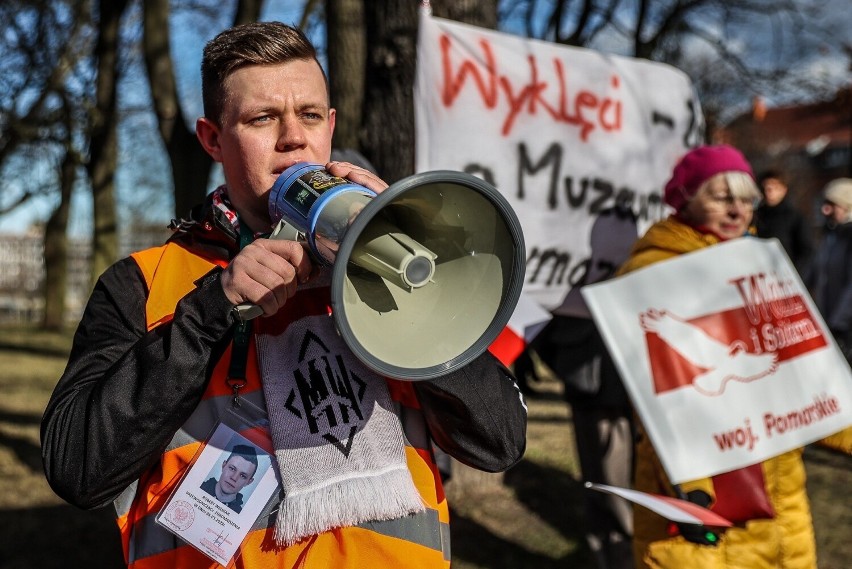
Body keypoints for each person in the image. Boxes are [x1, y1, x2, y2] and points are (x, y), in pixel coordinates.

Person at [40, 21, 526, 569]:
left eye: (311, 115)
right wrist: (210, 312)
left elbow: (499, 441)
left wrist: (401, 253)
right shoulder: (145, 283)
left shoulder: (396, 265)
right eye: (262, 118)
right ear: (212, 139)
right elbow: (76, 465)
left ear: (331, 125)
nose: (294, 137)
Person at [616, 145, 852, 569]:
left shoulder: (760, 263)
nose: (737, 210)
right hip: (706, 486)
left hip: (779, 475)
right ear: (686, 197)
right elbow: (665, 397)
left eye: (746, 198)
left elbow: (806, 370)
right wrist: (692, 487)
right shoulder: (651, 272)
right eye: (721, 197)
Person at [532, 206, 638, 569]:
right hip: (592, 386)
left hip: (632, 387)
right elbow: (543, 320)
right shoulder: (565, 263)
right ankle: (609, 557)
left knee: (622, 485)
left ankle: (621, 555)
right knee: (603, 484)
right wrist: (567, 366)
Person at [804, 178, 852, 362]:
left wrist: (838, 323)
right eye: (825, 205)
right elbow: (812, 273)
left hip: (845, 328)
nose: (826, 211)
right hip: (830, 323)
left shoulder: (848, 238)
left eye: (833, 206)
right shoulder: (831, 236)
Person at [752, 169, 814, 274]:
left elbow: (806, 252)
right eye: (765, 188)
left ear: (783, 190)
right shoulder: (754, 216)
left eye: (774, 188)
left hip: (786, 276)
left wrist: (793, 273)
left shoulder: (795, 217)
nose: (769, 192)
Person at [201, 444, 259, 513]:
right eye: (232, 469)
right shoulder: (197, 486)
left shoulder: (241, 516)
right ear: (223, 466)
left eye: (243, 476)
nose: (234, 478)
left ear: (249, 482)